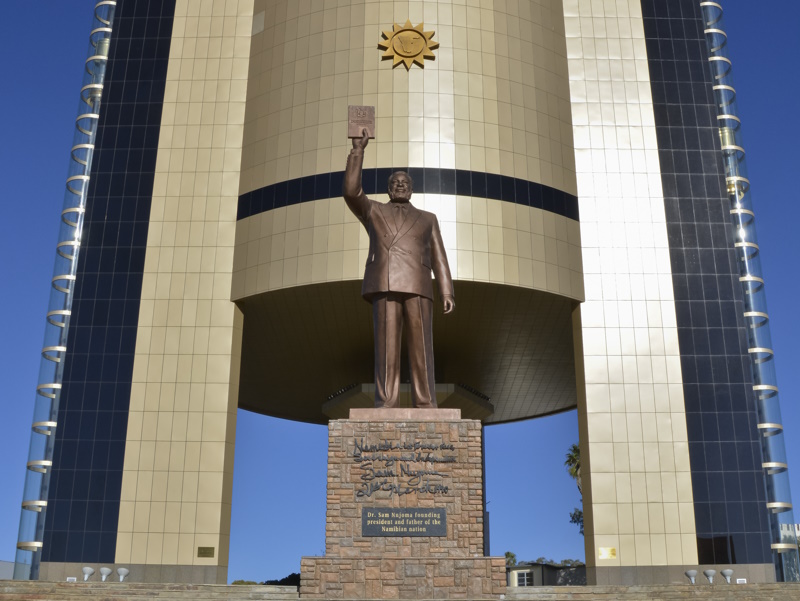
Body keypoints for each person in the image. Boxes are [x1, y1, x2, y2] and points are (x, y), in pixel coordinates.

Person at [343, 129, 455, 408]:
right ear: (388, 188)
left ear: (412, 188)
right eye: (396, 182)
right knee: (386, 348)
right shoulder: (374, 211)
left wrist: (447, 291)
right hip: (385, 282)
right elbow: (351, 191)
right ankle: (386, 401)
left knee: (422, 349)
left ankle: (426, 401)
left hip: (418, 285)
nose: (401, 185)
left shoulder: (428, 218)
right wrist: (358, 150)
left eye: (405, 182)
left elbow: (439, 256)